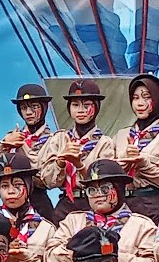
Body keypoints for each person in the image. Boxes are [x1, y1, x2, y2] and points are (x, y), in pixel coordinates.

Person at [47, 160, 159, 262]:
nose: (98, 194)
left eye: (105, 188)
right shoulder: (73, 221)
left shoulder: (141, 225)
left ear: (119, 189)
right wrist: (80, 252)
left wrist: (115, 257)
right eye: (92, 190)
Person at [36, 79, 117, 222]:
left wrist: (79, 165)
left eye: (87, 105)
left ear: (96, 108)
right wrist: (60, 162)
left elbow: (105, 182)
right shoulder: (60, 139)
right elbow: (48, 181)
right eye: (75, 105)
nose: (81, 110)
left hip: (94, 203)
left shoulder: (105, 143)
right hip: (66, 203)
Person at [114, 74, 159, 222]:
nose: (140, 103)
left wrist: (144, 164)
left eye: (146, 97)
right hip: (122, 205)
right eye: (135, 98)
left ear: (157, 100)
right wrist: (122, 164)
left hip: (153, 204)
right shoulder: (121, 135)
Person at [0, 84, 57, 221]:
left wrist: (24, 146)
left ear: (44, 107)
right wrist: (4, 145)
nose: (28, 112)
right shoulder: (13, 136)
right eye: (24, 108)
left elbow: (46, 179)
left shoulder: (55, 139)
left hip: (39, 199)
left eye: (34, 106)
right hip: (13, 199)